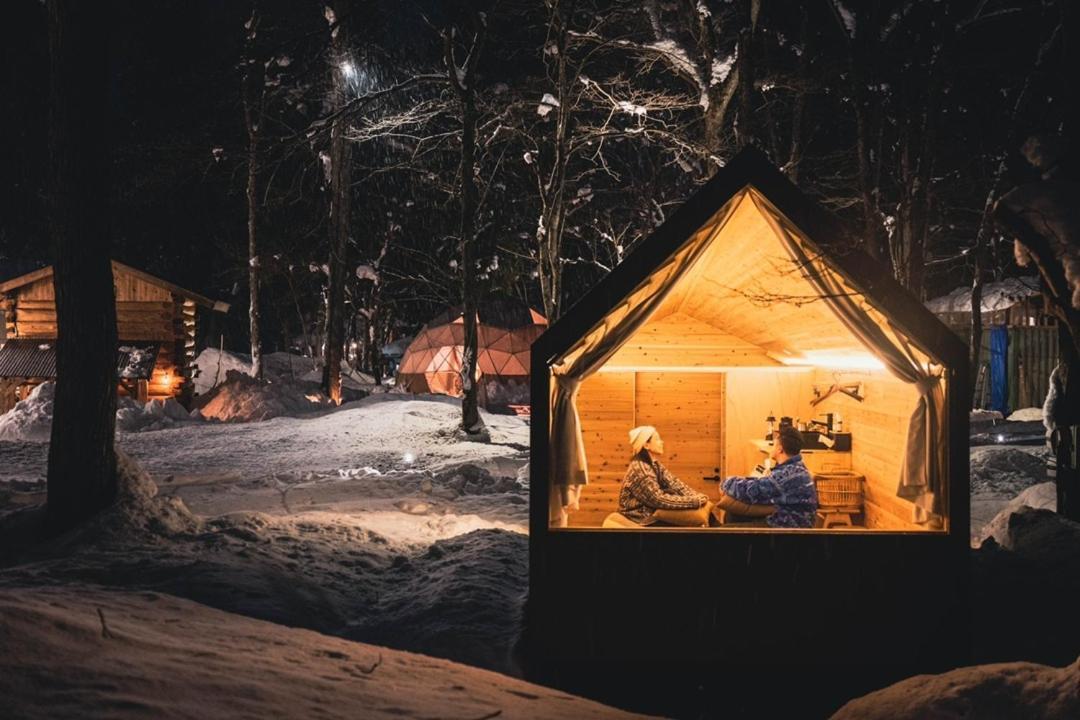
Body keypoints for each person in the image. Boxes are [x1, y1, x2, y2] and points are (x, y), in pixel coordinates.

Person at [717, 425, 817, 528]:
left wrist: (725, 483)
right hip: (785, 517)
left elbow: (752, 490)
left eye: (773, 444)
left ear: (780, 449)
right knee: (733, 515)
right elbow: (764, 484)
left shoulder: (787, 474)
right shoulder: (795, 468)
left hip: (788, 525)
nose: (771, 448)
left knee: (726, 530)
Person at [618, 425, 709, 525]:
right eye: (657, 439)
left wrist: (696, 496)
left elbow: (675, 483)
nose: (662, 442)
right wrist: (693, 502)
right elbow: (658, 499)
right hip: (640, 517)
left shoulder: (655, 464)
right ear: (646, 445)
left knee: (703, 514)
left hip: (653, 512)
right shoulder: (640, 469)